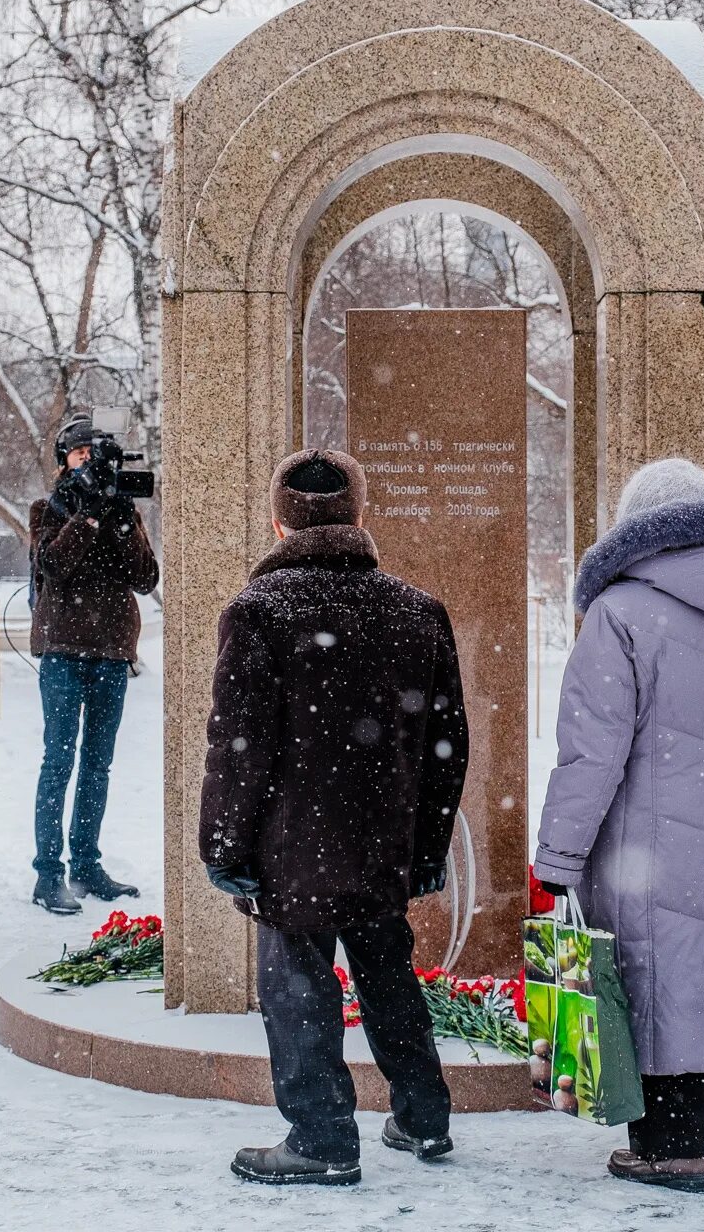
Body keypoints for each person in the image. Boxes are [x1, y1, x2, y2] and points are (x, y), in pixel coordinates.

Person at [533, 458, 704, 1195]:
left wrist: (557, 858)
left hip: (644, 846)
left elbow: (591, 754)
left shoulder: (621, 614)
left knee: (656, 979)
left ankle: (673, 1148)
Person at [200, 448, 470, 1186]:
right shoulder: (418, 611)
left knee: (299, 987)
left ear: (279, 523)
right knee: (387, 974)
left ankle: (321, 1140)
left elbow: (237, 747)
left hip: (295, 849)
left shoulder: (259, 613)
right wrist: (427, 845)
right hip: (381, 845)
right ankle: (423, 1116)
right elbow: (448, 748)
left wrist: (225, 845)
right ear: (359, 514)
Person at [27, 414, 159, 914]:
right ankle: (47, 874)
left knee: (97, 765)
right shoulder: (50, 509)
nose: (91, 462)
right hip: (63, 650)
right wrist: (87, 516)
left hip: (110, 652)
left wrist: (120, 516)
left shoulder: (120, 506)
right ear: (65, 459)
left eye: (97, 454)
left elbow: (145, 577)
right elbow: (53, 568)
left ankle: (86, 864)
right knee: (58, 761)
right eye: (82, 453)